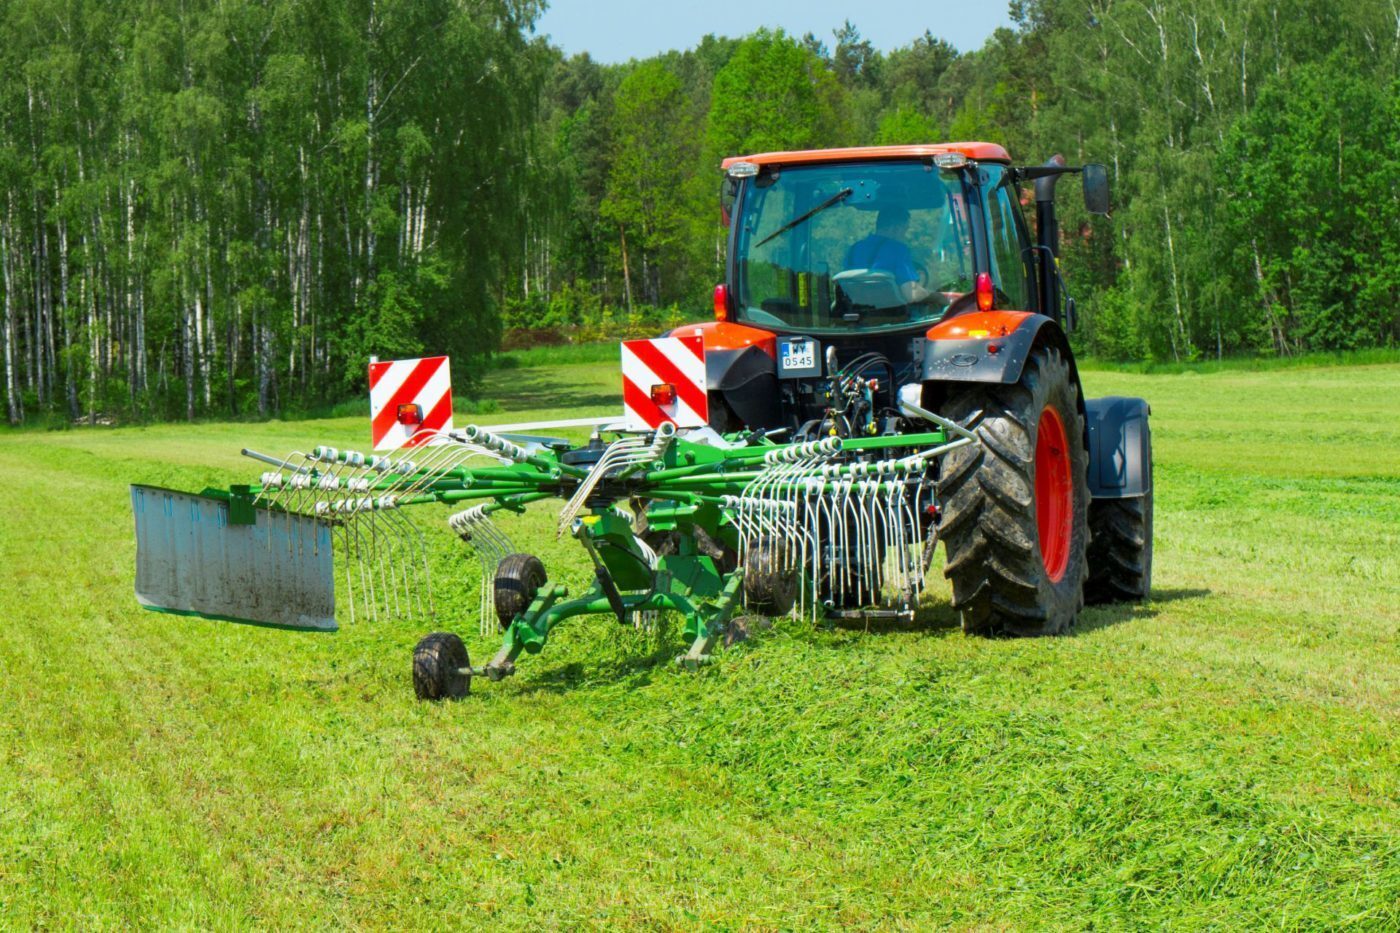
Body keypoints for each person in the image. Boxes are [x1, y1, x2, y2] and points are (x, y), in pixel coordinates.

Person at [843, 207, 932, 304]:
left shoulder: (854, 249)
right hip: (893, 315)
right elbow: (912, 295)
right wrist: (940, 297)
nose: (904, 235)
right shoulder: (898, 249)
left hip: (857, 314)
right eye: (905, 229)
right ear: (895, 229)